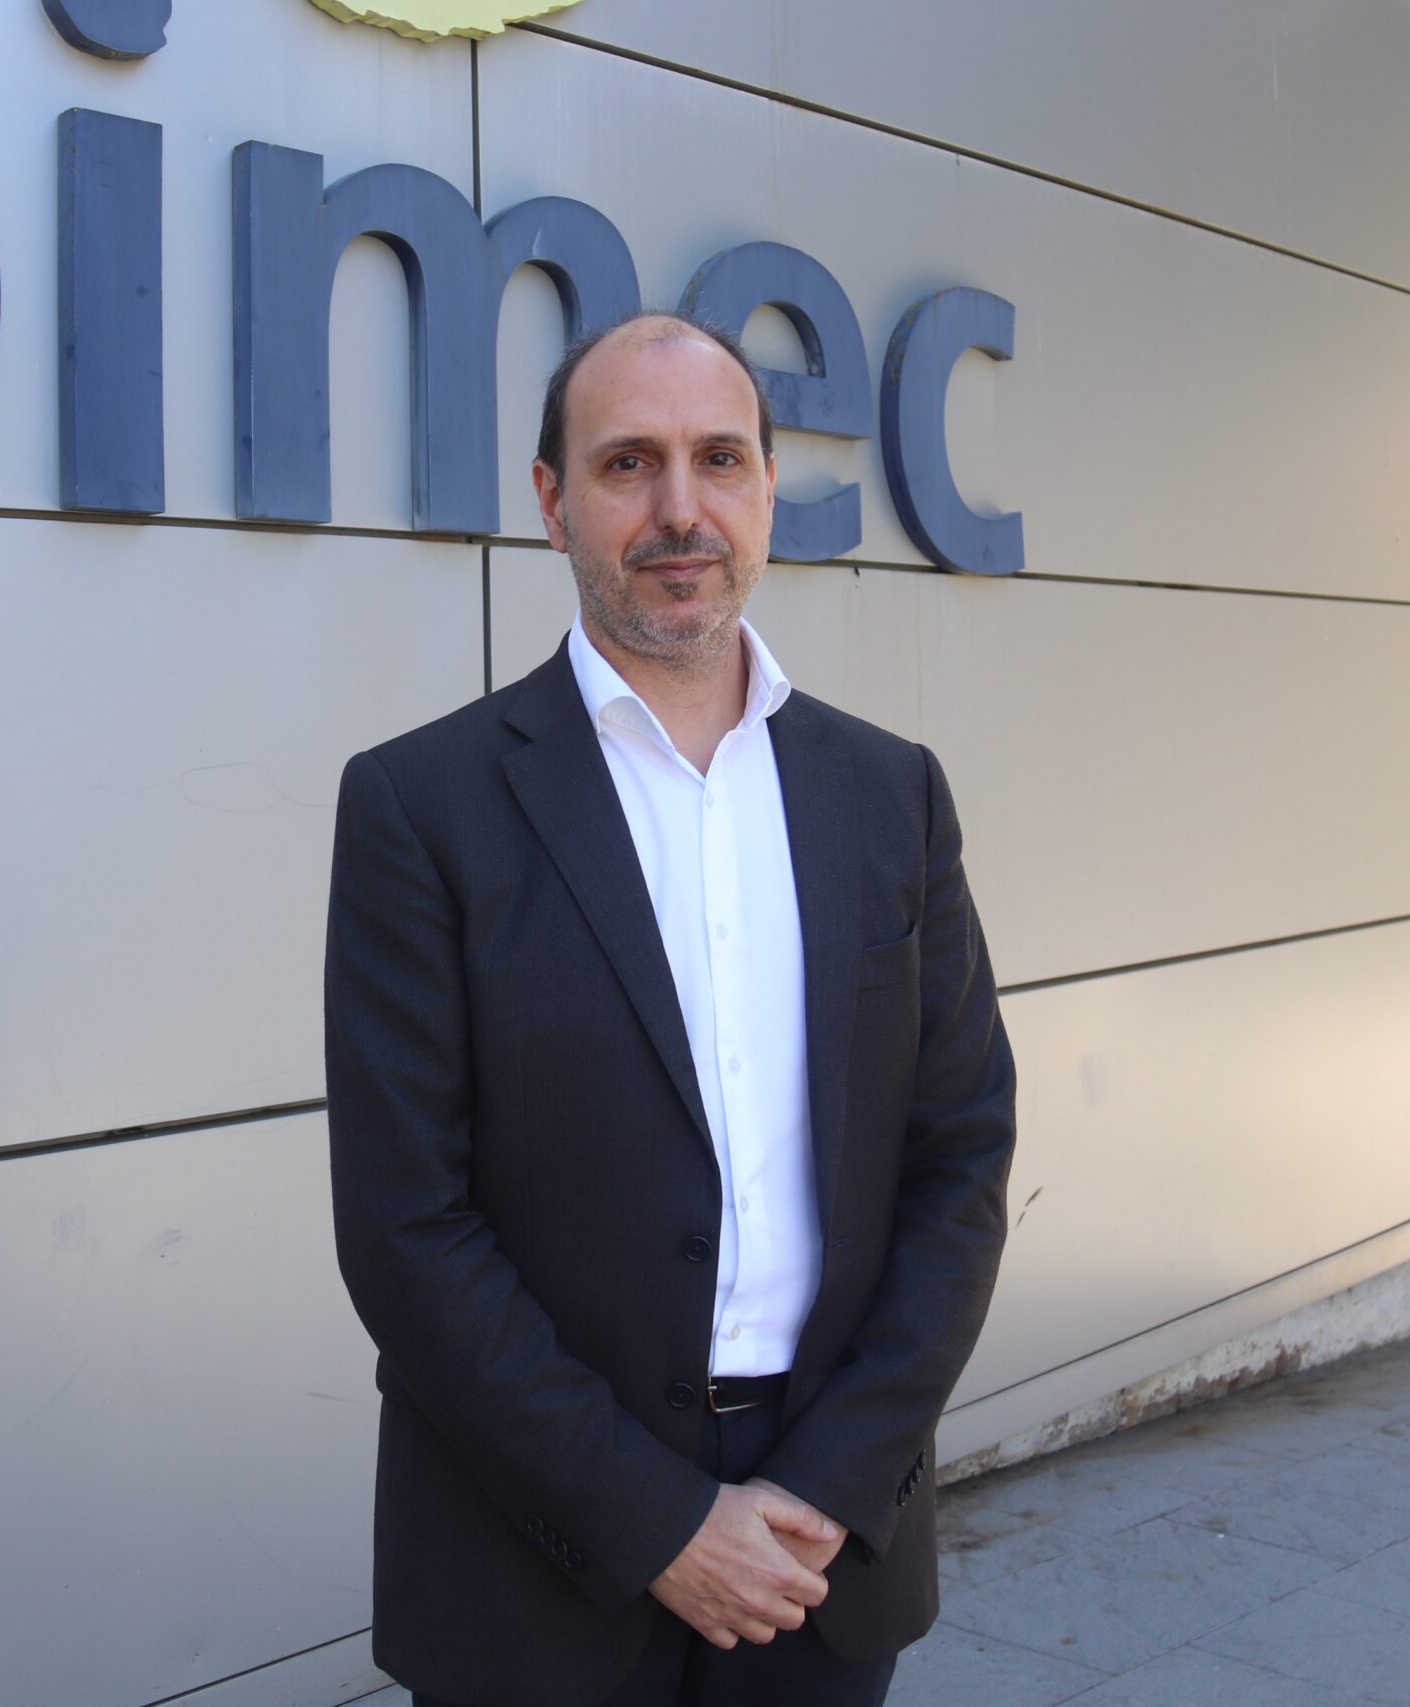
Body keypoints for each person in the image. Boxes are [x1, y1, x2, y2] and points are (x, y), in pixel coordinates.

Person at [323, 310, 1017, 1707]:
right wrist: (658, 1525)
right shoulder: (420, 807)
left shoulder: (891, 795)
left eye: (720, 458)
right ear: (551, 499)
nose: (680, 510)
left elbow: (961, 1161)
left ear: (768, 485)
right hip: (534, 1555)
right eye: (628, 462)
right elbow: (407, 1230)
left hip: (826, 1548)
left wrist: (829, 1483)